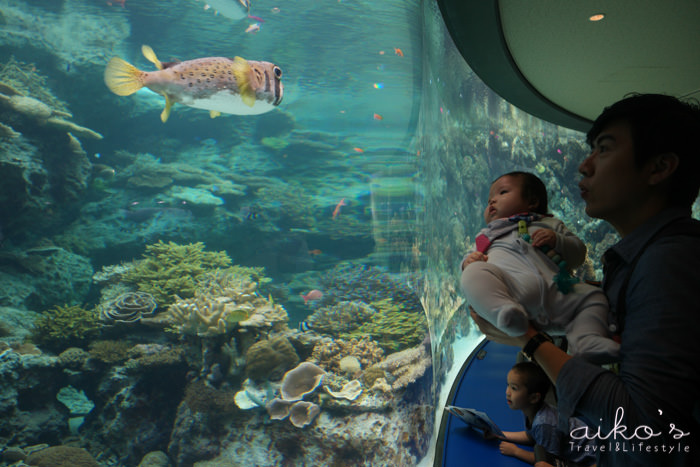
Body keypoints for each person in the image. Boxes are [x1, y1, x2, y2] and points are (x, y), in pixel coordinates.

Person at [471, 93, 700, 466]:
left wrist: (528, 338)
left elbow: (644, 430)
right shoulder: (644, 258)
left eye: (604, 149)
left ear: (659, 168)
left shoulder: (669, 262)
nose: (584, 165)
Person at [460, 171, 619, 362]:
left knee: (594, 296)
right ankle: (504, 311)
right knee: (472, 273)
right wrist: (469, 261)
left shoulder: (550, 224)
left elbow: (578, 254)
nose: (492, 201)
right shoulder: (487, 235)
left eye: (502, 193)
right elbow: (470, 260)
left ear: (533, 202)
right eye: (489, 200)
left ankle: (587, 340)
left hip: (558, 291)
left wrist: (558, 241)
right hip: (513, 292)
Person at [492, 362, 596, 466]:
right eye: (508, 385)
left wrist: (516, 452)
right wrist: (499, 434)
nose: (507, 392)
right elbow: (531, 435)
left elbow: (548, 461)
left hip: (592, 460)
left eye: (514, 388)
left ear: (533, 398)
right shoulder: (531, 409)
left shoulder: (544, 424)